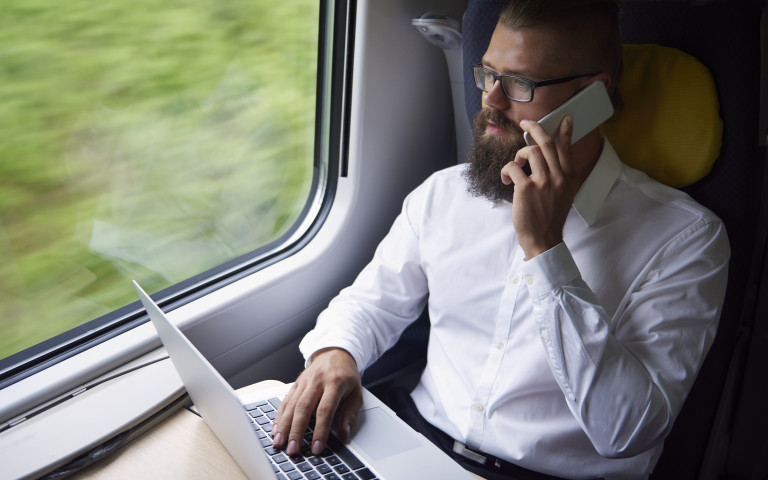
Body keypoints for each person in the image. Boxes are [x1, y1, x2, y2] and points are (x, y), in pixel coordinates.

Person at [272, 0, 731, 478]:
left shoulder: (687, 239)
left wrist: (546, 251)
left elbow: (626, 431)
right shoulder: (444, 194)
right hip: (415, 445)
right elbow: (371, 304)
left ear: (591, 97)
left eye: (519, 83)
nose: (491, 99)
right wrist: (336, 354)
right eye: (487, 74)